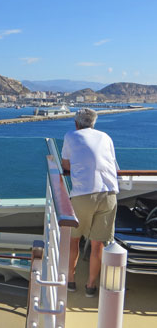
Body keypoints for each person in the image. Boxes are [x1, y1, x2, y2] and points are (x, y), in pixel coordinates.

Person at [61, 108, 119, 297]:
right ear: (93, 123)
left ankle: (70, 280)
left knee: (74, 240)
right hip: (109, 193)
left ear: (76, 124)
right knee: (97, 244)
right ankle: (91, 286)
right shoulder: (106, 137)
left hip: (83, 194)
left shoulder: (71, 136)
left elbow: (66, 165)